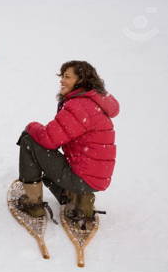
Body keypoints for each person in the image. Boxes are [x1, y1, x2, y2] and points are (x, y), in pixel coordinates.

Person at [17, 60, 119, 228]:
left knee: (29, 140)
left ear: (81, 81)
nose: (62, 81)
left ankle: (32, 204)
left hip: (82, 178)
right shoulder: (95, 104)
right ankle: (80, 200)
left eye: (67, 77)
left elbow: (49, 139)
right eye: (62, 76)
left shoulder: (80, 105)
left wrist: (31, 126)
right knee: (46, 159)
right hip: (95, 178)